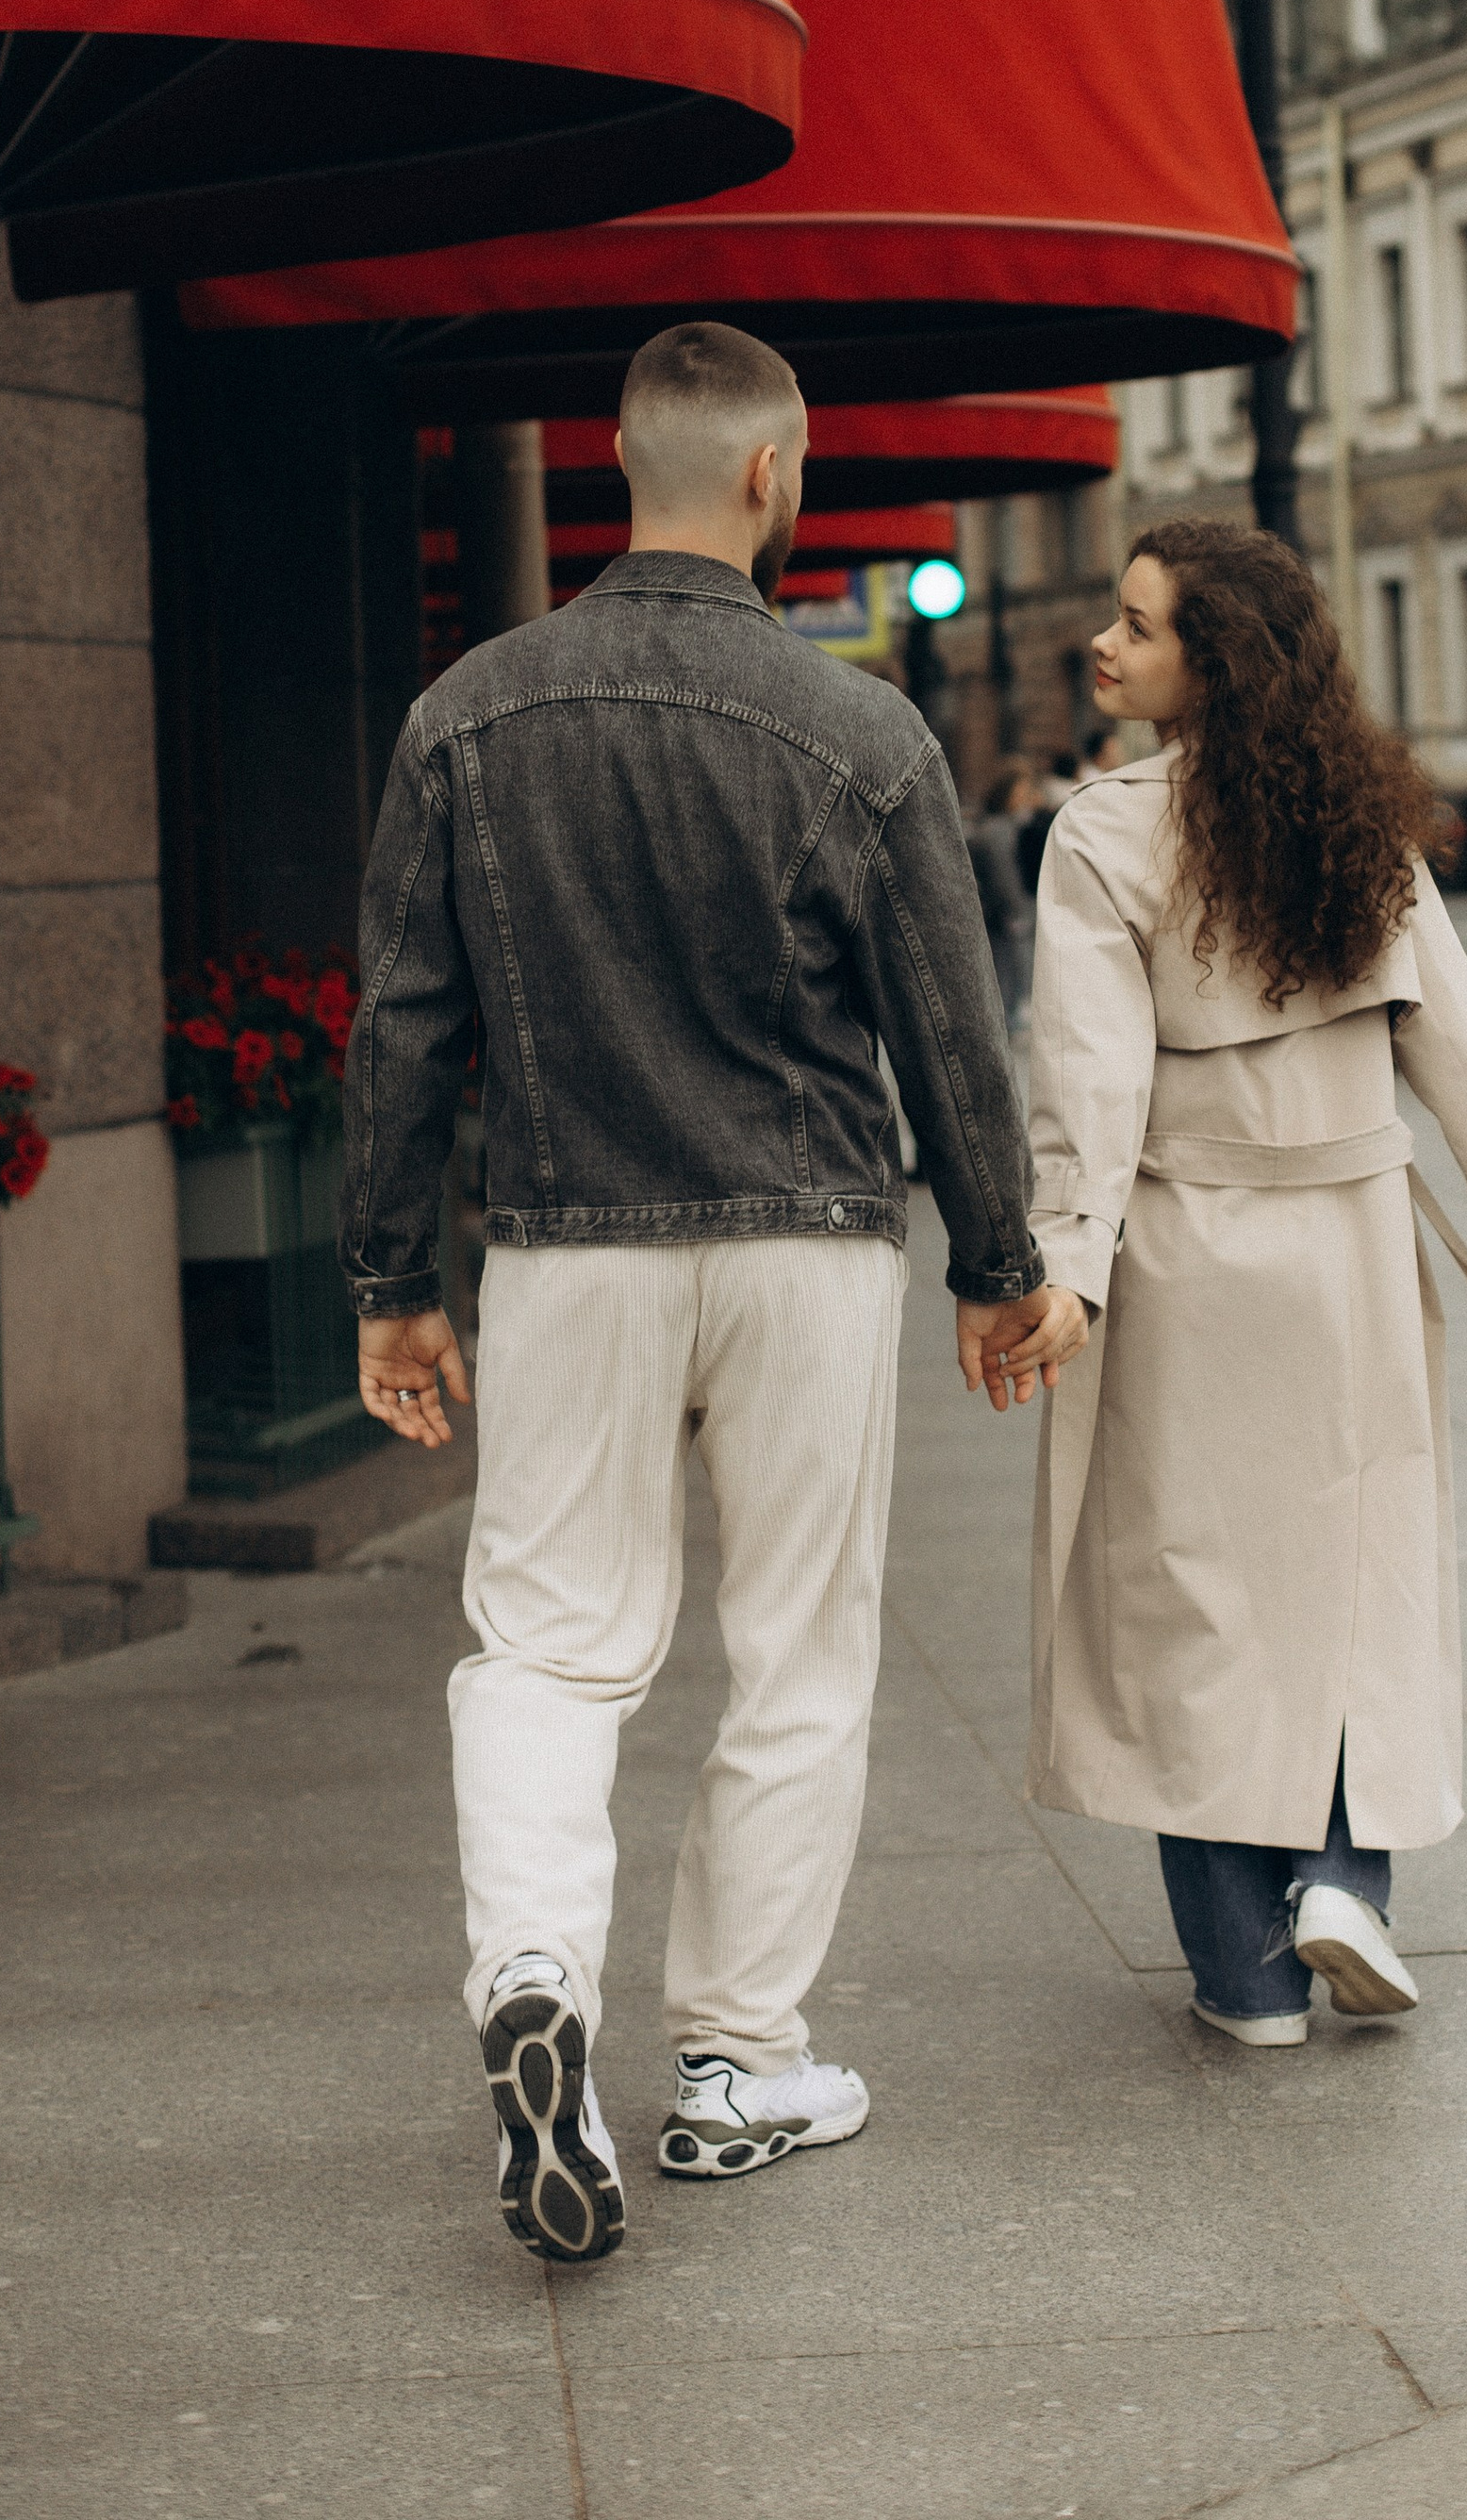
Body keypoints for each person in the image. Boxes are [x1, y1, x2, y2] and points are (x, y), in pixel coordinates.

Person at [342, 322, 1076, 2263]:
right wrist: (995, 1267)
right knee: (796, 1652)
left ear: (615, 457)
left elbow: (405, 1022)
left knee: (545, 1645)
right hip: (807, 1244)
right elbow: (950, 1033)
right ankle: (739, 2061)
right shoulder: (864, 737)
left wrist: (387, 1283)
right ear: (774, 476)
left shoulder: (466, 716)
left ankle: (534, 1985)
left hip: (569, 1242)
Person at [1021, 519, 1467, 2048]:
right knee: (1358, 1579)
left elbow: (1086, 1084)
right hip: (1350, 1254)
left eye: (1139, 626)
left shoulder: (1103, 833)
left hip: (1190, 1260)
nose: (1106, 642)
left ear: (1209, 663)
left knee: (1192, 1608)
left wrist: (1066, 1271)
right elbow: (1466, 1053)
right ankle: (1348, 1877)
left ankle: (1248, 1983)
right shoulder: (1364, 829)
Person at [966, 756, 1041, 1029]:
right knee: (1004, 980)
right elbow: (1004, 878)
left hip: (998, 918)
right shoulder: (996, 831)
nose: (1025, 797)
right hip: (999, 921)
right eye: (1021, 790)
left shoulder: (1002, 826)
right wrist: (1020, 910)